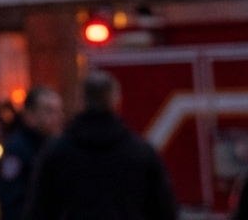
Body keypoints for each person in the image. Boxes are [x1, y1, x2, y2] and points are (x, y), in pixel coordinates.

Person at [24, 71, 178, 220]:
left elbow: (38, 211)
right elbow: (164, 211)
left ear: (81, 101)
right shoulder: (141, 153)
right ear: (116, 100)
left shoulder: (56, 153)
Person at [0, 86, 63, 220]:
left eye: (58, 111)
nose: (57, 117)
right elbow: (12, 201)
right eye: (49, 111)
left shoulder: (55, 147)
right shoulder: (17, 150)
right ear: (30, 115)